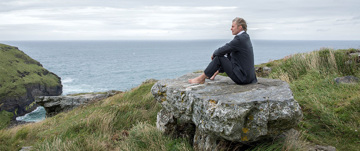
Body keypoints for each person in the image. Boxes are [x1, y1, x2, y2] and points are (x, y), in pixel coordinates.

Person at [188, 17, 257, 85]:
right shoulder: (245, 37)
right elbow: (230, 56)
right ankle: (211, 75)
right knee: (224, 57)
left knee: (219, 57)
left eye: (233, 26)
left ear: (240, 27)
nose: (231, 29)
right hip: (250, 78)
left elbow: (221, 51)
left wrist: (214, 54)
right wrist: (217, 71)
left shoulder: (239, 39)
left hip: (242, 78)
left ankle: (200, 79)